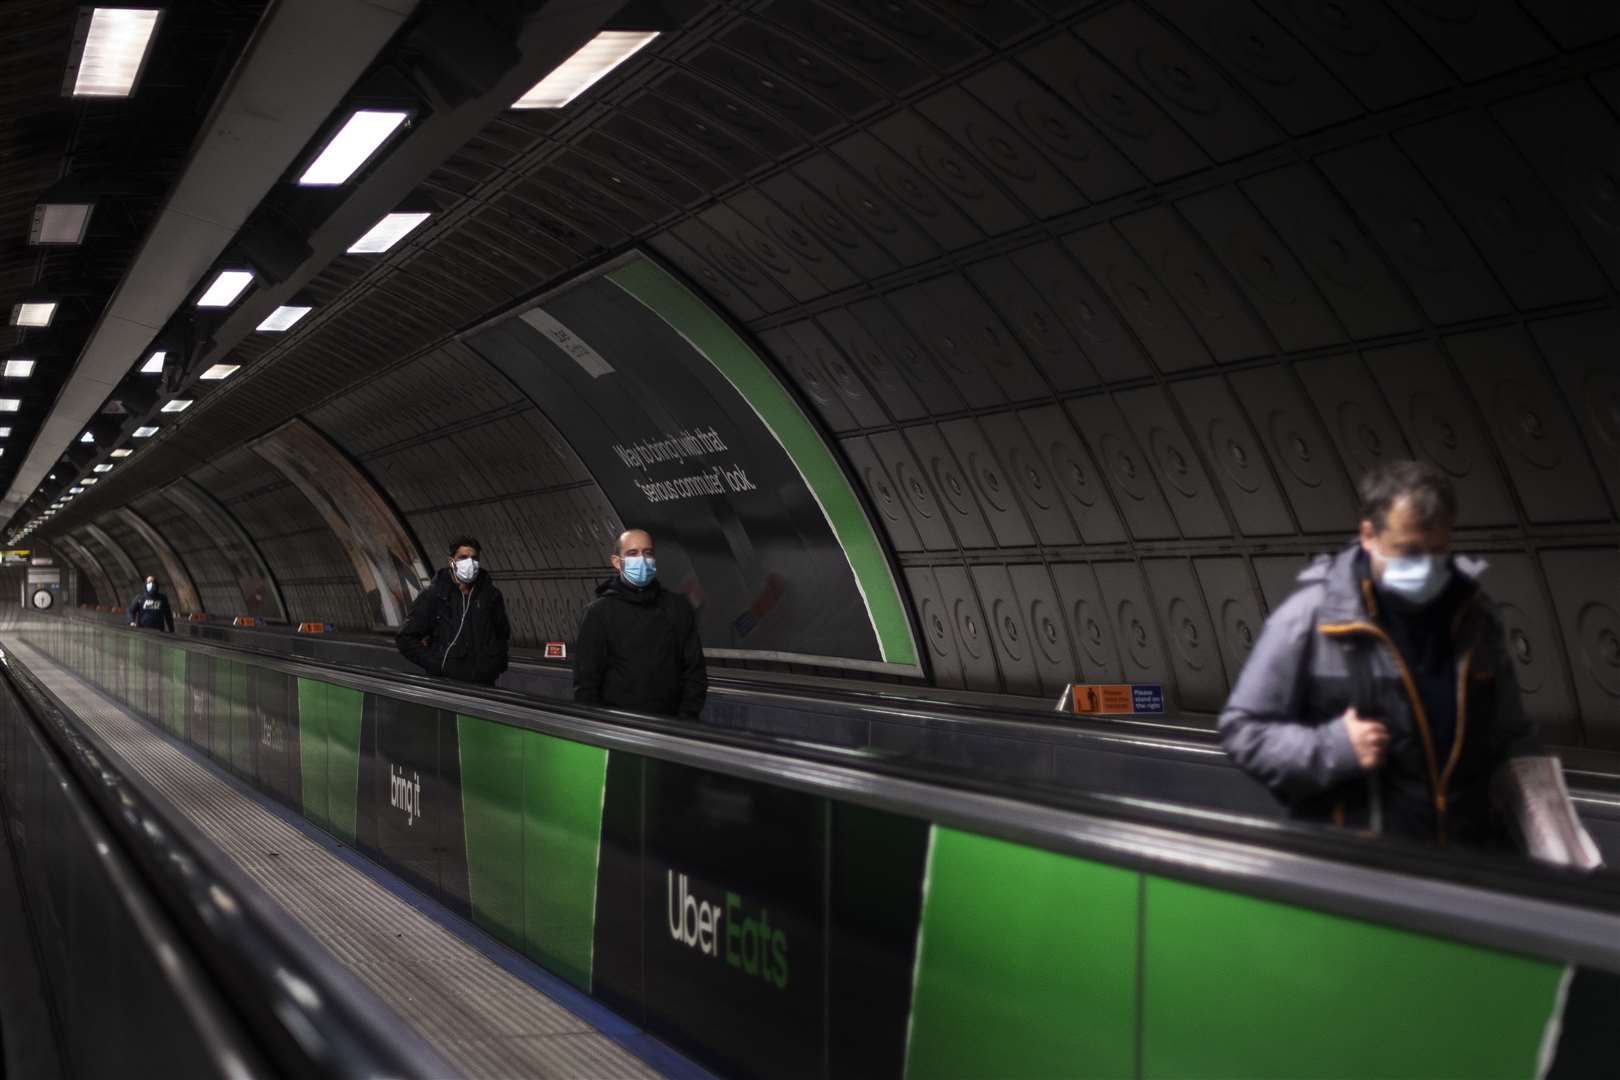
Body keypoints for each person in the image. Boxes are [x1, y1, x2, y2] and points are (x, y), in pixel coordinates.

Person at [1219, 460, 1535, 849]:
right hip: (1360, 869)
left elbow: (1513, 739)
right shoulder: (1311, 620)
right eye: (1408, 551)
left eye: (1437, 552)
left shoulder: (1475, 618)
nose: (1425, 567)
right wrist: (1334, 747)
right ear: (1368, 535)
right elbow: (1242, 731)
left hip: (1465, 866)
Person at [574, 529, 706, 720]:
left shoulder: (678, 608)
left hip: (672, 728)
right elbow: (586, 683)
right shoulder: (598, 613)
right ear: (617, 562)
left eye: (648, 553)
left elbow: (694, 672)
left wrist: (685, 720)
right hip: (618, 727)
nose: (642, 559)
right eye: (632, 553)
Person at [396, 536, 510, 686]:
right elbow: (405, 638)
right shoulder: (435, 595)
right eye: (463, 557)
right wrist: (437, 664)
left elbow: (502, 634)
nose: (470, 563)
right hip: (446, 685)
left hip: (484, 684)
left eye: (474, 558)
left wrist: (496, 665)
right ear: (452, 562)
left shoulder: (491, 595)